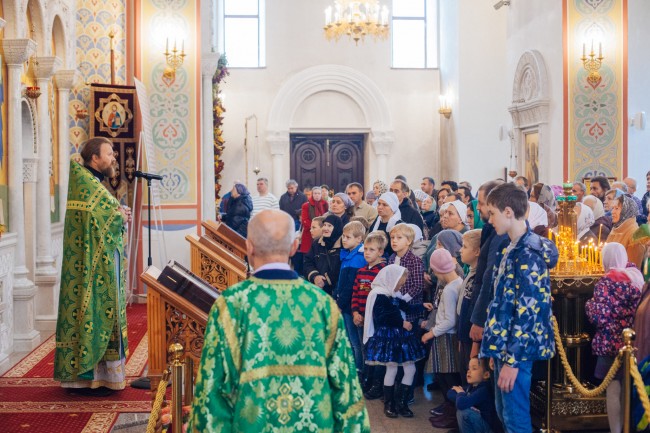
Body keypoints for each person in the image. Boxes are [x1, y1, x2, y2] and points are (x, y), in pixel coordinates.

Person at [189, 210, 370, 432]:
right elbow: (346, 390)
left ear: (249, 247)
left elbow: (212, 390)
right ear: (294, 248)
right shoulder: (323, 304)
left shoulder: (231, 304)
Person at [54, 137, 132, 396]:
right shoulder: (87, 183)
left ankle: (101, 377)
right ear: (95, 158)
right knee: (94, 313)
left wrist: (118, 214)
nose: (113, 159)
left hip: (98, 262)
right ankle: (87, 379)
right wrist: (118, 215)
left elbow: (102, 217)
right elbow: (101, 218)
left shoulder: (92, 183)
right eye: (109, 154)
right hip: (91, 267)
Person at [480, 182, 558, 433]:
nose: (489, 219)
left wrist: (512, 360)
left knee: (516, 418)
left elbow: (528, 311)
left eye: (492, 213)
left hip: (517, 351)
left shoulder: (528, 253)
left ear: (508, 212)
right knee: (505, 414)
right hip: (505, 348)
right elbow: (502, 302)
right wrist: (495, 349)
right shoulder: (509, 247)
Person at [586, 242, 643, 433]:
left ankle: (616, 430)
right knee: (629, 388)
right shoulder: (635, 278)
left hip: (609, 344)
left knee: (613, 390)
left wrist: (589, 305)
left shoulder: (605, 284)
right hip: (631, 344)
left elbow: (598, 316)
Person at [363, 265, 431, 418]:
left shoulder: (392, 294)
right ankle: (389, 404)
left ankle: (402, 403)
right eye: (400, 282)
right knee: (392, 369)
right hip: (389, 337)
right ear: (391, 279)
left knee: (410, 370)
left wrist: (421, 306)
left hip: (401, 337)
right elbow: (381, 317)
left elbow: (405, 307)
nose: (401, 285)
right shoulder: (379, 295)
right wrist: (401, 323)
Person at [422, 248, 463, 429]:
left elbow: (449, 320)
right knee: (445, 376)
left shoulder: (448, 289)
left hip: (445, 337)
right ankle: (450, 411)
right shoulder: (458, 282)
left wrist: (431, 333)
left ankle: (453, 415)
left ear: (437, 271)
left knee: (446, 377)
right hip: (447, 336)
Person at [352, 231, 388, 399]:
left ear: (380, 252)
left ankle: (376, 384)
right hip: (361, 319)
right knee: (365, 349)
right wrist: (355, 312)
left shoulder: (383, 271)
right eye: (365, 249)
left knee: (376, 352)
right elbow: (355, 294)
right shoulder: (360, 272)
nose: (367, 252)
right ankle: (366, 380)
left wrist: (373, 317)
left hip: (376, 321)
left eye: (371, 249)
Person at [334, 221, 368, 378]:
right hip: (345, 304)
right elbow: (341, 282)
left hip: (352, 306)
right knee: (349, 339)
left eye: (348, 237)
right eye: (343, 236)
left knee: (357, 341)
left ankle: (359, 371)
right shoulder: (348, 255)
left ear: (359, 239)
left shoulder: (358, 259)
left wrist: (339, 303)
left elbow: (350, 286)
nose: (344, 239)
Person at [448, 357, 500, 433]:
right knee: (462, 404)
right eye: (469, 368)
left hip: (487, 427)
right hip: (479, 423)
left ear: (486, 374)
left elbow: (461, 404)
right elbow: (450, 392)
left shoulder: (484, 389)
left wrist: (461, 394)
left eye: (474, 368)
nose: (469, 371)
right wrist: (463, 397)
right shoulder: (472, 386)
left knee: (463, 412)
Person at [303, 214, 343, 296]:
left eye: (329, 226)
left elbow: (340, 268)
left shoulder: (343, 246)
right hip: (317, 290)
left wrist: (325, 281)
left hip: (335, 292)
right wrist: (315, 276)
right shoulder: (317, 244)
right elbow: (308, 262)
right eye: (324, 225)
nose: (325, 228)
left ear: (336, 228)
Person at [607, 194, 645, 268]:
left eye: (617, 208)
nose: (612, 212)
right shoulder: (616, 229)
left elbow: (633, 268)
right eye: (613, 208)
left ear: (626, 210)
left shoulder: (635, 234)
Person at [298, 186, 328, 262]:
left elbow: (327, 217)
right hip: (309, 232)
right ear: (312, 194)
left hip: (322, 232)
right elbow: (305, 220)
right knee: (308, 255)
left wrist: (322, 228)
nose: (317, 195)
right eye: (315, 193)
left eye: (319, 193)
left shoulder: (325, 204)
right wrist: (315, 227)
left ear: (321, 194)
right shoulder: (306, 205)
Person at [369, 192, 403, 256]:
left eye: (384, 205)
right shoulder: (377, 221)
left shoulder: (399, 225)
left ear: (392, 207)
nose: (380, 207)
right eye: (379, 204)